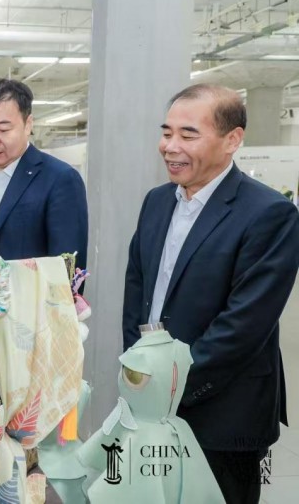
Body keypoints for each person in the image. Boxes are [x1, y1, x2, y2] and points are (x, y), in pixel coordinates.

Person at [122, 83, 299, 504]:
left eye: (188, 135)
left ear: (232, 139)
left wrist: (171, 385)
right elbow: (137, 290)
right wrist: (138, 369)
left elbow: (243, 326)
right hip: (152, 401)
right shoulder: (157, 201)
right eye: (167, 133)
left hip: (223, 409)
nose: (170, 146)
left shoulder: (268, 214)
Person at [0, 78, 88, 418]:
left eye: (3, 128)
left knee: (22, 431)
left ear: (28, 124)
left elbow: (66, 274)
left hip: (22, 340)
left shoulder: (58, 179)